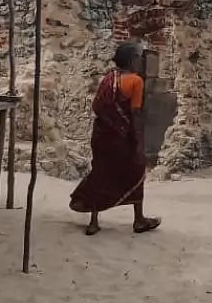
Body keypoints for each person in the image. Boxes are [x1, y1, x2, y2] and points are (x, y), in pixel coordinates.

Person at [69, 43, 161, 236]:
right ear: (131, 60)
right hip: (122, 137)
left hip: (102, 136)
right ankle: (139, 219)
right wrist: (136, 138)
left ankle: (93, 222)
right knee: (136, 173)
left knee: (100, 174)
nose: (140, 61)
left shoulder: (108, 78)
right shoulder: (136, 81)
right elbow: (135, 112)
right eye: (138, 58)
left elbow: (98, 106)